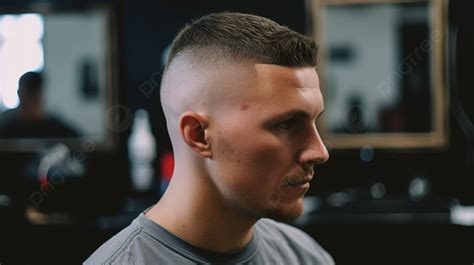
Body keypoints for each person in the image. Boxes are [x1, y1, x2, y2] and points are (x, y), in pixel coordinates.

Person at [85, 12, 333, 264]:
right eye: (287, 124)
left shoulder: (305, 255)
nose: (319, 152)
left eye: (315, 121)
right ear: (199, 135)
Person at [0, 71, 79, 138]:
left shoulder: (54, 125)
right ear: (20, 94)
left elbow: (80, 140)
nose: (32, 102)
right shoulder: (7, 124)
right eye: (30, 96)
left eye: (35, 96)